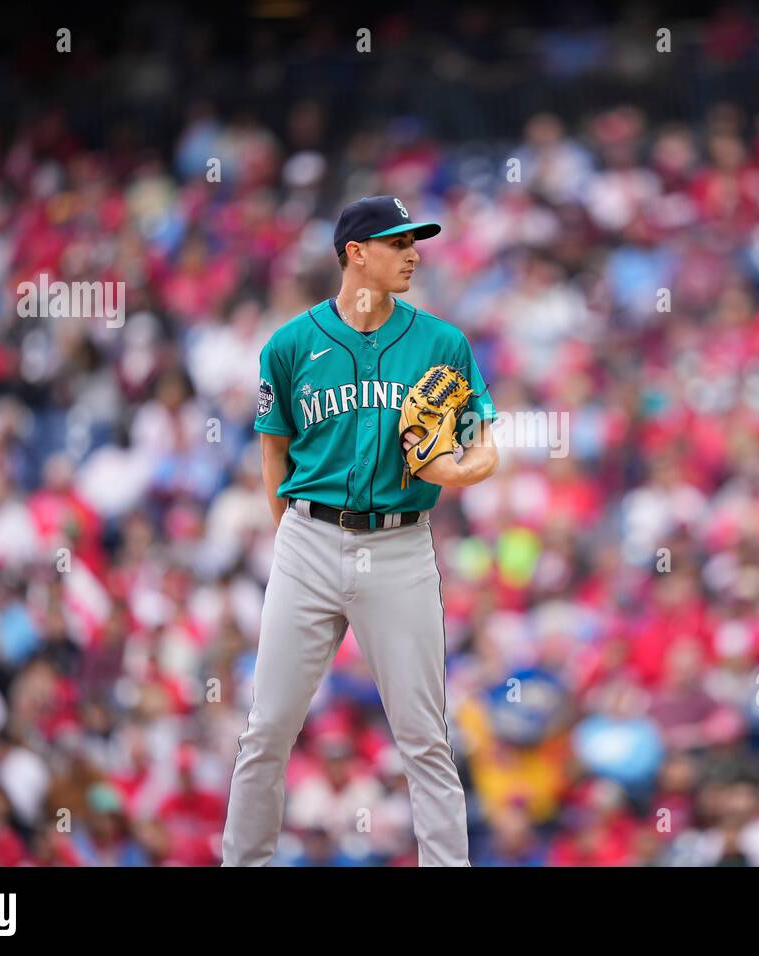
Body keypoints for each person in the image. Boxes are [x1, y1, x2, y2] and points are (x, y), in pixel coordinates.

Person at [222, 196, 500, 866]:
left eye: (416, 242)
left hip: (402, 543)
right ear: (356, 253)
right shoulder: (290, 345)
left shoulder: (441, 343)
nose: (413, 254)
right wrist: (295, 538)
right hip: (309, 539)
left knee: (425, 737)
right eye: (399, 242)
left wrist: (458, 473)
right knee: (267, 728)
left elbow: (485, 443)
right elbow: (273, 454)